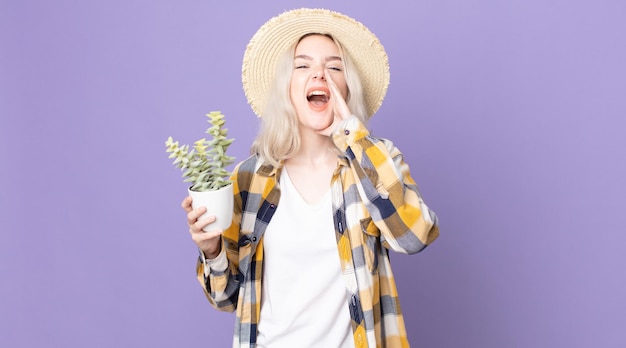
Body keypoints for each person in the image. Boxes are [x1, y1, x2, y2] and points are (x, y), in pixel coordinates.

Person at [181, 8, 439, 348]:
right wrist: (212, 250)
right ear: (287, 87)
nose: (319, 74)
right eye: (303, 66)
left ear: (347, 88)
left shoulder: (375, 160)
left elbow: (415, 237)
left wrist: (356, 141)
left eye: (334, 67)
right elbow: (226, 299)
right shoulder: (248, 179)